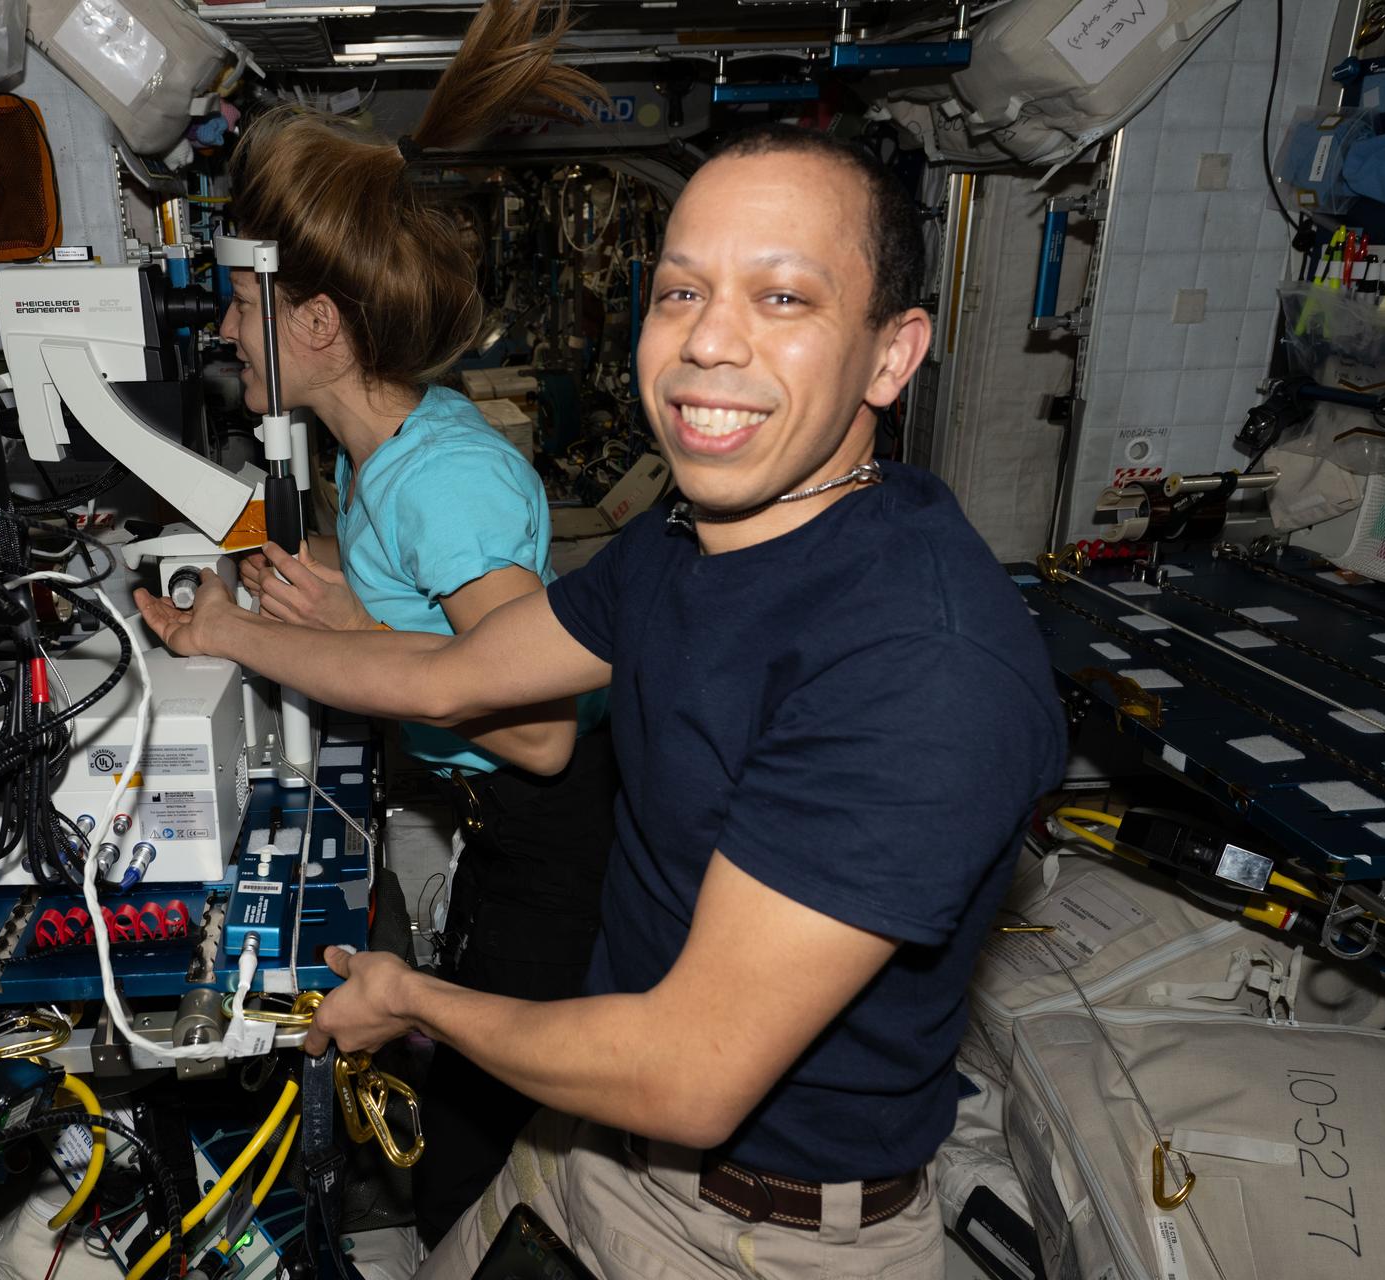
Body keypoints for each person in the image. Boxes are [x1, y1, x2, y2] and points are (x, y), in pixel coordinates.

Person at [141, 124, 1065, 1279]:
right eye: (682, 290)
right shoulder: (682, 547)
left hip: (756, 1233)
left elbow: (688, 1066)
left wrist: (414, 998)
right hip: (593, 1144)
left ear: (892, 355)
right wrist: (228, 632)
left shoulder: (925, 667)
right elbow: (449, 672)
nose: (710, 340)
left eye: (782, 297)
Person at [214, 0, 621, 1244]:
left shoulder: (433, 477)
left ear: (317, 326)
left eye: (240, 306)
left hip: (558, 829)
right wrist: (333, 595)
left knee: (477, 1158)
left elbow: (540, 725)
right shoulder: (392, 448)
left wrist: (234, 637)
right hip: (511, 824)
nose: (225, 330)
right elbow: (415, 595)